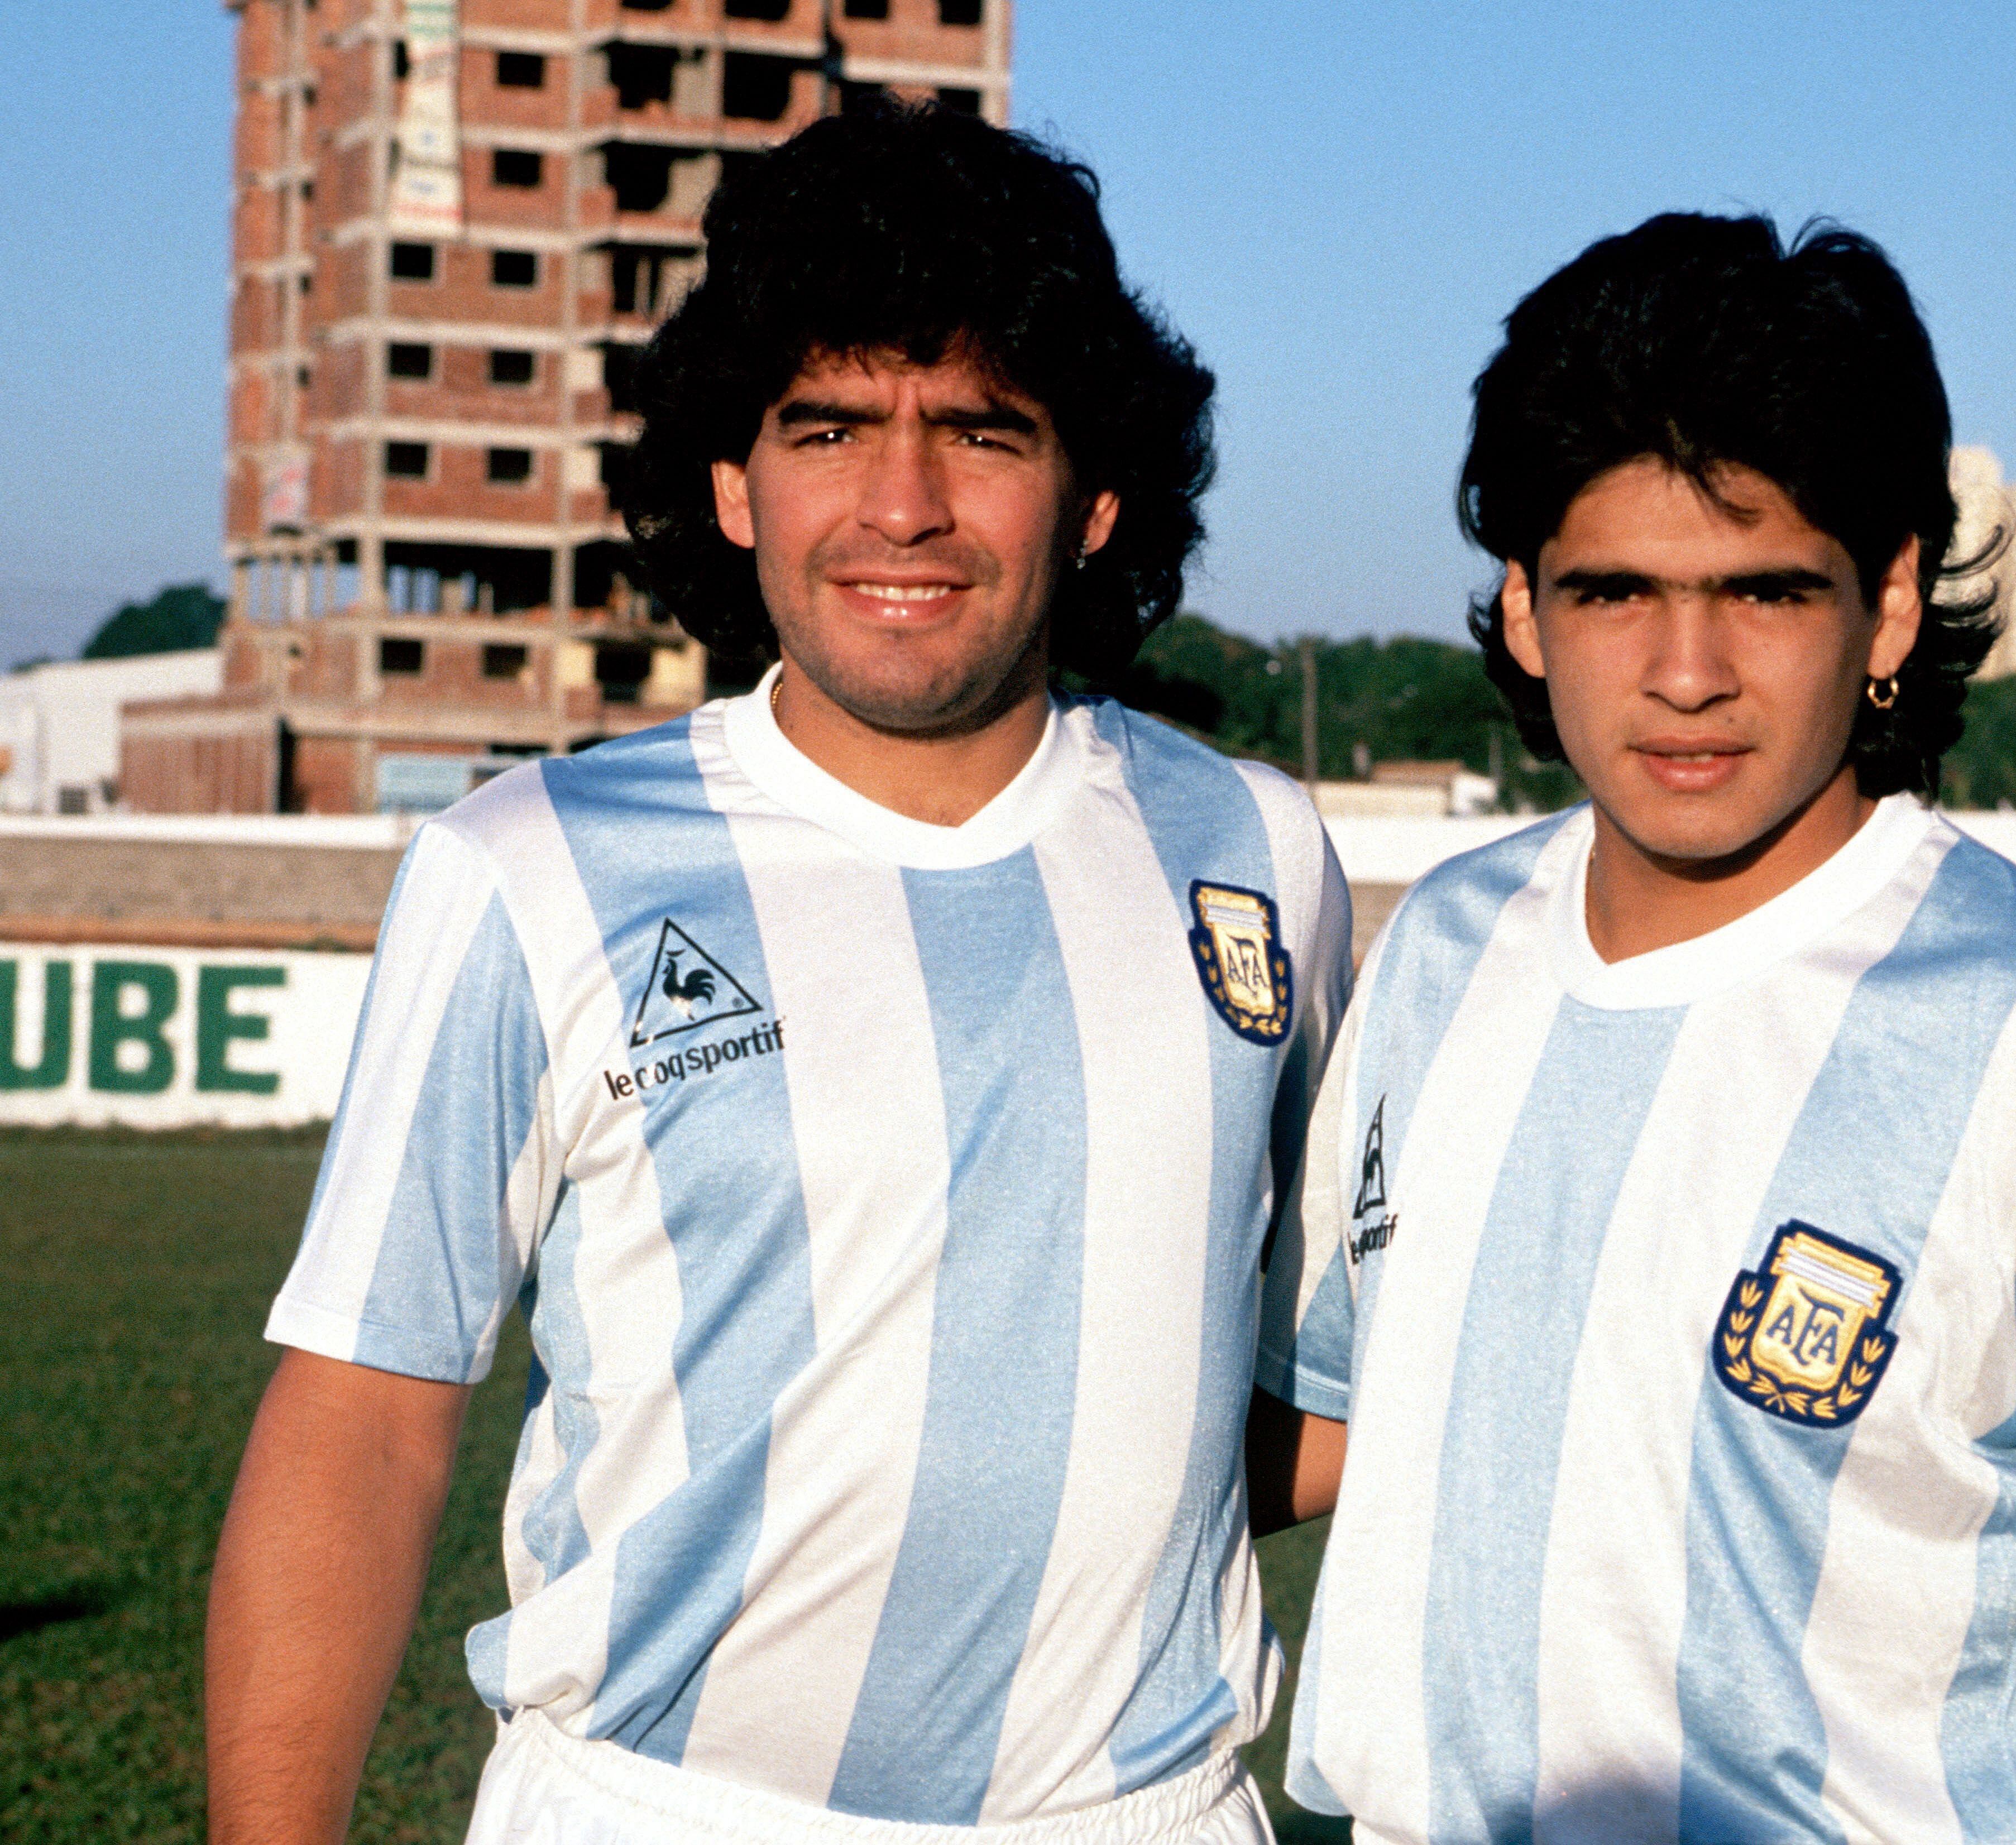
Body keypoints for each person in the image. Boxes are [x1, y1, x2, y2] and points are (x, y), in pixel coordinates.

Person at [207, 100, 1349, 1845]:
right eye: (830, 426)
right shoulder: (528, 868)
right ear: (734, 485)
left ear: (1094, 490)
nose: (904, 503)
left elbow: (1302, 1379)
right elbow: (364, 1421)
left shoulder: (1254, 853)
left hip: (1145, 1814)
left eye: (981, 429)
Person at [1246, 213, 2016, 1844]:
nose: (1686, 670)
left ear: (1893, 603)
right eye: (1614, 590)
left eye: (1765, 590)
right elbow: (1350, 1411)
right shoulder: (1442, 945)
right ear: (1522, 610)